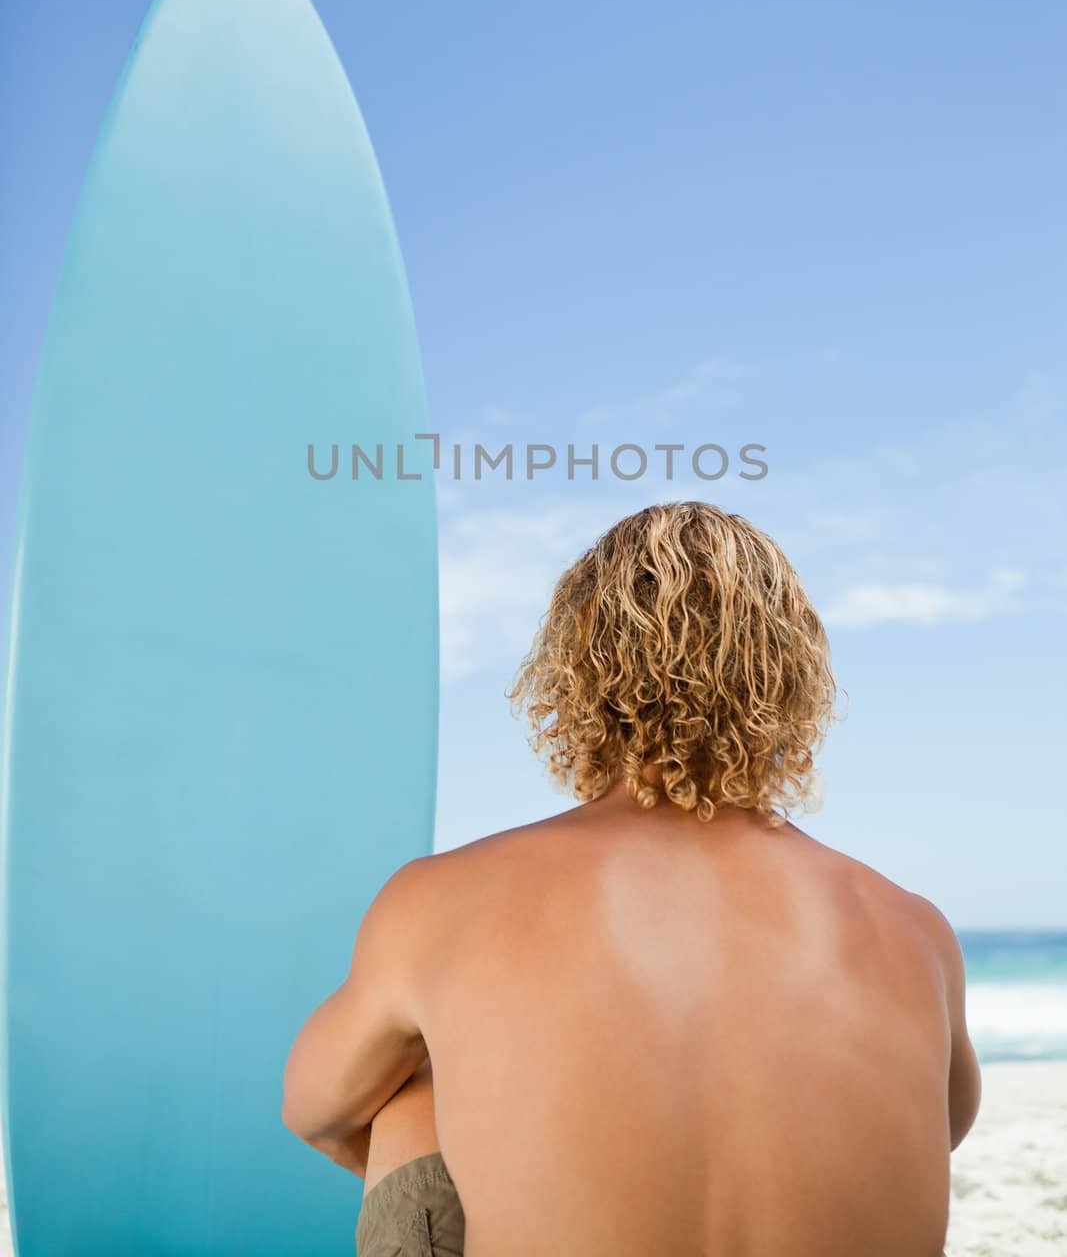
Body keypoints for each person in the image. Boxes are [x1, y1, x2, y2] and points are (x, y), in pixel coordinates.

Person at [282, 500, 981, 1256]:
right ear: (788, 681)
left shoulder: (441, 899)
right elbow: (941, 1128)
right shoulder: (914, 930)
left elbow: (318, 1111)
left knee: (412, 1096)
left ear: (577, 674)